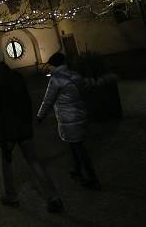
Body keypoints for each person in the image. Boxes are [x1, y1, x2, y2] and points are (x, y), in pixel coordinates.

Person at [0, 48, 63, 213]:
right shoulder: (17, 77)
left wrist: (0, 136)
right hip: (22, 127)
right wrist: (28, 124)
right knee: (34, 162)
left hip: (8, 131)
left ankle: (11, 195)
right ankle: (53, 197)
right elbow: (27, 102)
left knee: (7, 164)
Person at [37, 52, 101, 190]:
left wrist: (39, 116)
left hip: (68, 119)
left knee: (79, 148)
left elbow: (48, 100)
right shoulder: (74, 75)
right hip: (80, 115)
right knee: (75, 145)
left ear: (54, 65)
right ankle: (77, 170)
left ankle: (91, 177)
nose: (49, 68)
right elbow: (85, 88)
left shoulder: (56, 79)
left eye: (50, 65)